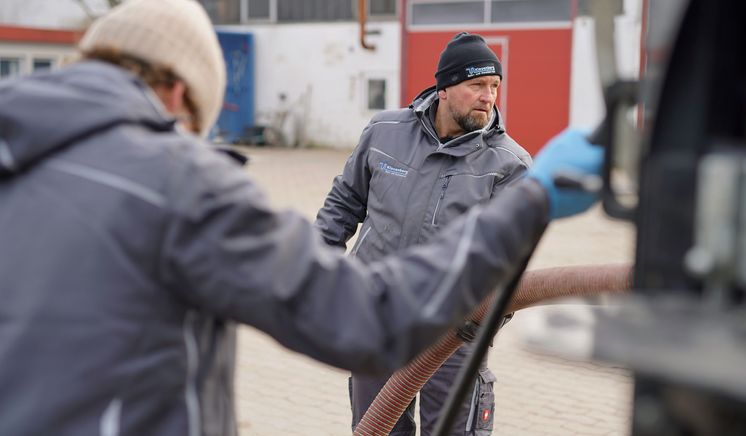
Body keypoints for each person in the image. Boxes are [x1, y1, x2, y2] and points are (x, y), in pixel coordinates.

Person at [0, 1, 603, 435]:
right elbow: (365, 315)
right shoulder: (181, 184)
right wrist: (538, 200)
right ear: (180, 94)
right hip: (397, 313)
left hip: (459, 334)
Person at [314, 32, 528, 435]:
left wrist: (482, 321)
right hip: (378, 319)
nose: (489, 96)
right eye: (476, 85)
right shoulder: (384, 133)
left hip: (453, 335)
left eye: (494, 86)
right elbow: (343, 204)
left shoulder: (509, 165)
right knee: (377, 429)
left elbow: (513, 260)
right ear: (445, 88)